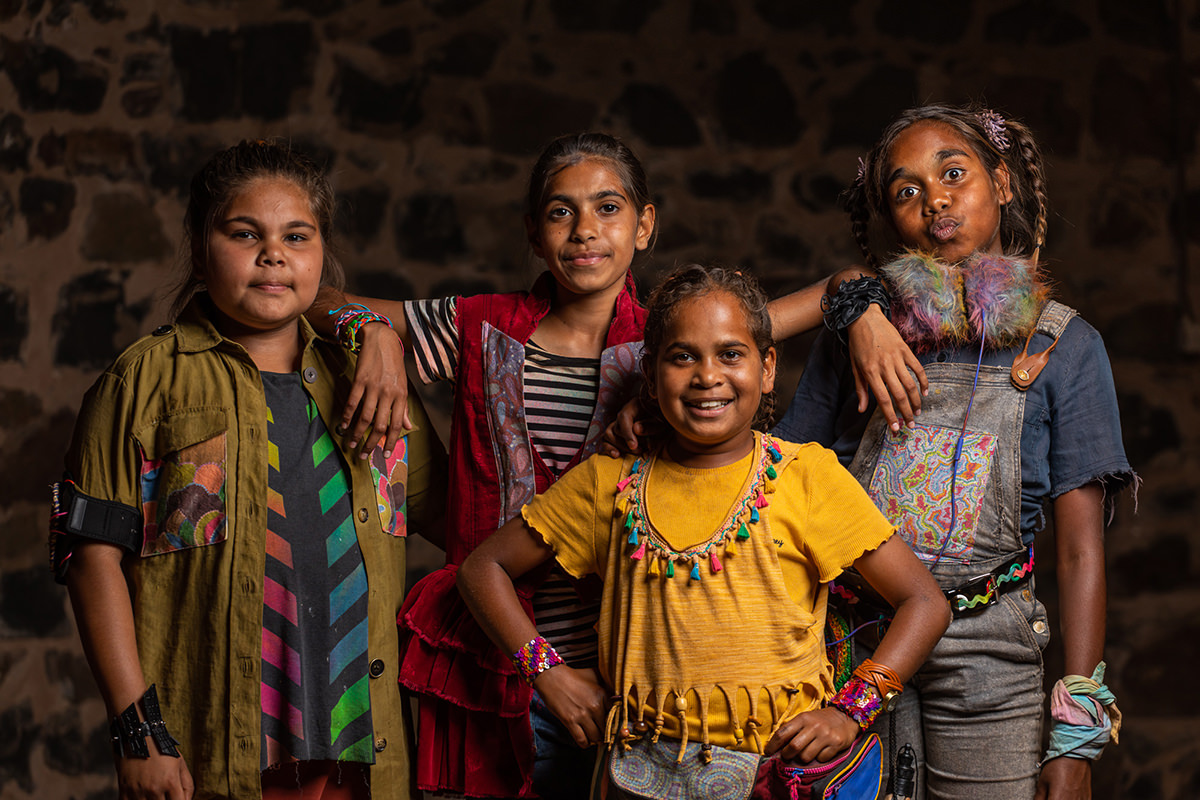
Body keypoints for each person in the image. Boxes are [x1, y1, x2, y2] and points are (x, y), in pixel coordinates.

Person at [457, 264, 950, 799]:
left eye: (730, 354)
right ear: (650, 374)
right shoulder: (608, 483)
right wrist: (546, 671)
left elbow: (923, 601)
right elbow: (483, 568)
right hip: (636, 776)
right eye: (682, 356)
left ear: (767, 370)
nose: (706, 376)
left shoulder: (805, 476)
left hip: (777, 774)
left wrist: (852, 710)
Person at [49, 139, 445, 800]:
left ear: (321, 254)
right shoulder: (144, 380)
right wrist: (137, 732)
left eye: (297, 235)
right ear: (202, 252)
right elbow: (93, 559)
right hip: (213, 751)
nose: (274, 254)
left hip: (364, 759)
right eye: (244, 233)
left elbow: (466, 521)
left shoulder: (373, 385)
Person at [774, 105, 1134, 800]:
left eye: (954, 173)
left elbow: (1080, 554)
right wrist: (851, 300)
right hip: (851, 646)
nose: (933, 197)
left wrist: (1076, 736)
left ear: (1002, 183)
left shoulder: (1065, 348)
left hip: (992, 662)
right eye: (905, 190)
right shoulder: (859, 333)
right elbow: (767, 454)